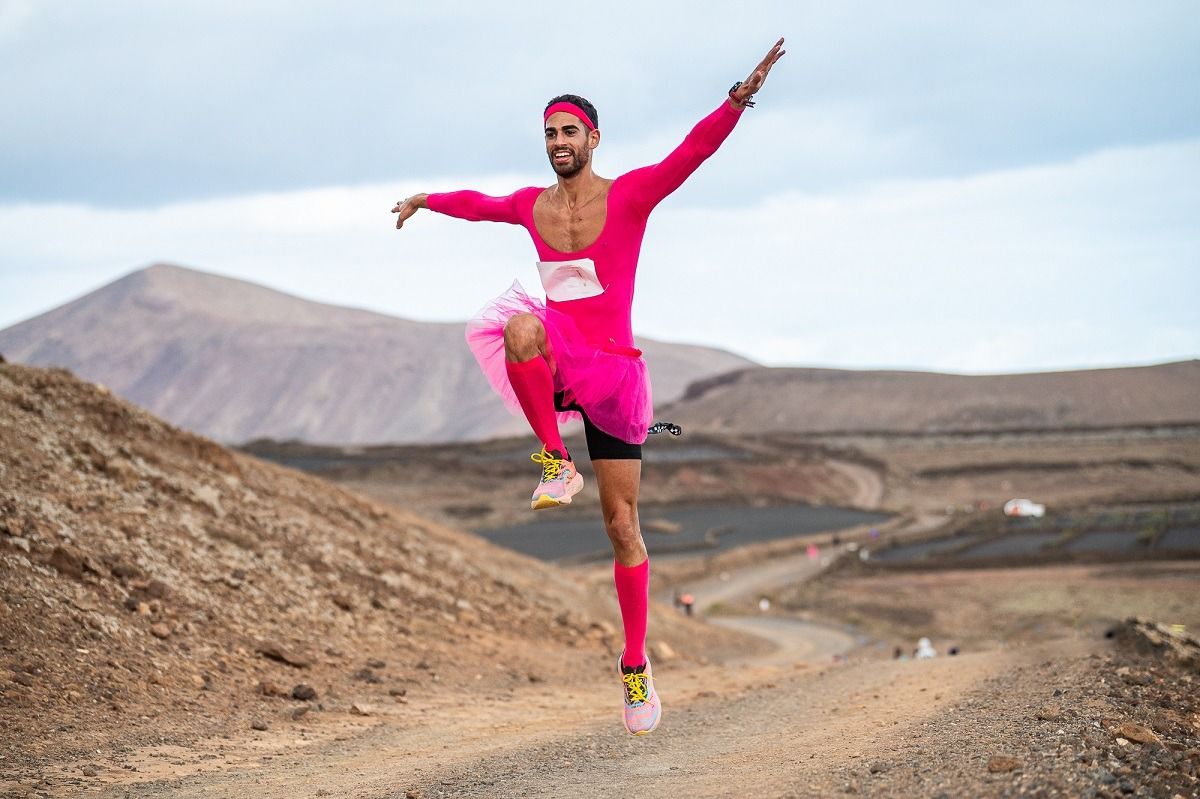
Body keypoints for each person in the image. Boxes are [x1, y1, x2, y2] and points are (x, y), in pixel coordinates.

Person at [391, 38, 785, 736]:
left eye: (569, 130)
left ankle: (635, 666)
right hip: (561, 353)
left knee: (622, 526)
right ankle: (553, 462)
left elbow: (689, 155)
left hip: (612, 373)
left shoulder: (629, 194)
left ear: (593, 138)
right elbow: (481, 203)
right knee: (516, 328)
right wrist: (427, 198)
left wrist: (737, 99)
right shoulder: (532, 206)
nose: (558, 141)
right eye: (549, 132)